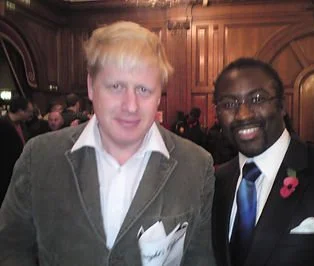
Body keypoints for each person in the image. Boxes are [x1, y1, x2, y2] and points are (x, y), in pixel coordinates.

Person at [0, 21, 215, 266]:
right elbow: (10, 246)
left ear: (159, 95)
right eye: (116, 86)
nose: (131, 105)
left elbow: (200, 259)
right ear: (91, 86)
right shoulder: (40, 156)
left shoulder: (196, 165)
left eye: (144, 89)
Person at [211, 57, 314, 266]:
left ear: (281, 105)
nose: (243, 115)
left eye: (257, 99)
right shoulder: (216, 183)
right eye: (229, 104)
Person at [0, 96, 33, 205]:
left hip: (20, 172)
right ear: (20, 111)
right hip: (6, 175)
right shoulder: (3, 125)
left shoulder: (23, 124)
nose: (31, 115)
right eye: (29, 112)